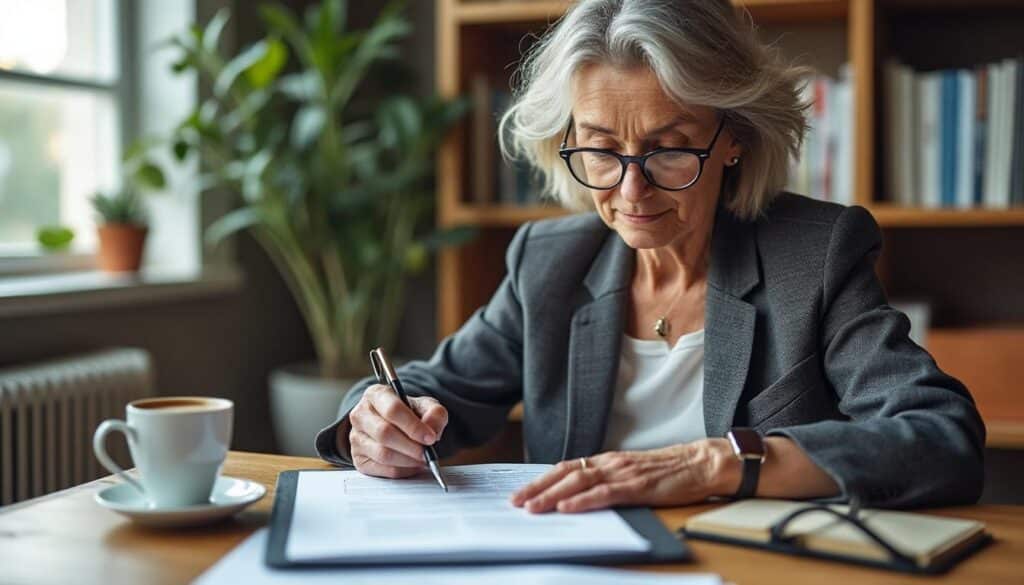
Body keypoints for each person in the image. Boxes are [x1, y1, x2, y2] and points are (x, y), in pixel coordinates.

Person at [315, 0, 985, 513]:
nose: (631, 190)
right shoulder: (550, 261)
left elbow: (941, 437)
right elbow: (430, 393)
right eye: (601, 150)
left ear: (733, 139)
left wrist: (719, 463)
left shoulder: (814, 256)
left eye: (669, 148)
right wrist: (372, 423)